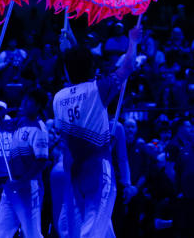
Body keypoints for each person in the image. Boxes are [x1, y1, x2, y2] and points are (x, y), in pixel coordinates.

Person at [52, 23, 143, 238]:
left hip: (74, 172)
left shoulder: (59, 98)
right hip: (99, 169)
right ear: (91, 68)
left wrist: (71, 49)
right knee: (94, 225)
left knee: (102, 226)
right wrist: (133, 41)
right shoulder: (98, 89)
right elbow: (128, 66)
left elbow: (76, 68)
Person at [0, 87, 50, 238]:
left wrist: (21, 182)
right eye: (24, 100)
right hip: (11, 185)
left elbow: (41, 162)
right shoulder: (20, 123)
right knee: (1, 232)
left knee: (32, 233)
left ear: (38, 106)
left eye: (28, 101)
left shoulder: (39, 129)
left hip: (28, 186)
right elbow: (1, 125)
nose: (24, 103)